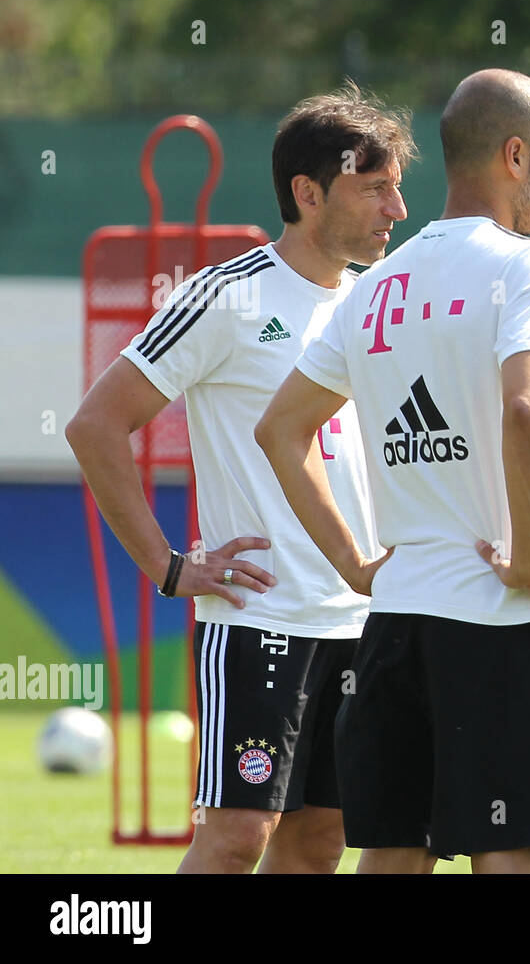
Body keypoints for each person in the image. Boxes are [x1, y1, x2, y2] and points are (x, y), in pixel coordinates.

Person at [66, 82, 413, 873]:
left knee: (321, 838)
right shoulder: (226, 296)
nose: (395, 208)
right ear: (307, 192)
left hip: (361, 619)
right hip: (260, 618)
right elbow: (95, 425)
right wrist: (168, 565)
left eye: (397, 188)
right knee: (233, 840)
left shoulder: (376, 304)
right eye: (375, 188)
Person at [255, 68, 530, 874]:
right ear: (515, 155)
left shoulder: (374, 289)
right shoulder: (527, 264)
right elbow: (529, 409)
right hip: (498, 619)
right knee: (508, 852)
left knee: (393, 854)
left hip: (394, 624)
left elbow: (279, 429)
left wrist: (358, 567)